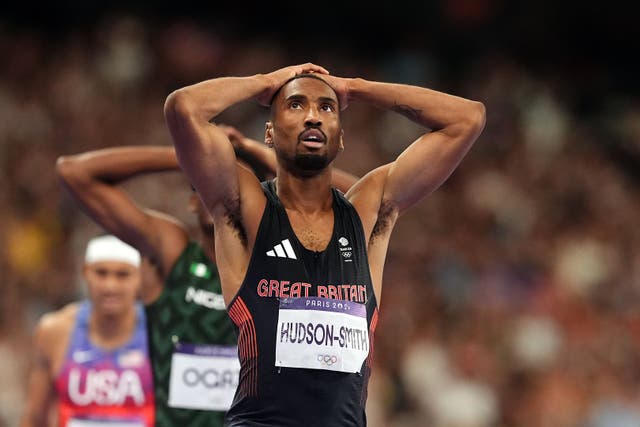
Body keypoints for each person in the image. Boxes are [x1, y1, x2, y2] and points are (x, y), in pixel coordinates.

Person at [163, 63, 486, 426]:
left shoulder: (367, 213)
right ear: (269, 133)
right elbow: (183, 108)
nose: (313, 117)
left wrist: (354, 87)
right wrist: (266, 83)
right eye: (296, 105)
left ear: (341, 137)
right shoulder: (246, 207)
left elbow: (467, 119)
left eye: (326, 108)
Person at [54, 126, 358, 427]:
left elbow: (362, 207)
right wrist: (186, 158)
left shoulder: (282, 265)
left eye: (234, 187)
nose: (222, 195)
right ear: (192, 199)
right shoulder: (174, 253)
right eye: (210, 184)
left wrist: (265, 157)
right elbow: (74, 173)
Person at [20, 234, 154, 427]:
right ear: (85, 273)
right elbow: (34, 417)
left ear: (140, 277)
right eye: (101, 273)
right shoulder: (55, 330)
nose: (110, 286)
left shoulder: (158, 328)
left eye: (122, 275)